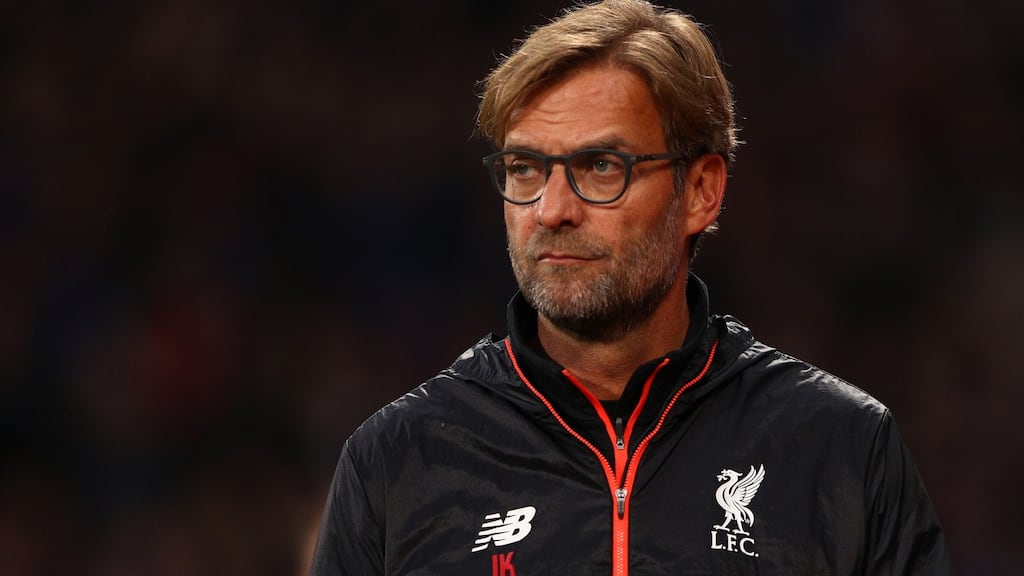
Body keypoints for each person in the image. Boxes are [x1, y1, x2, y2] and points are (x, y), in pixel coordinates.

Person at [310, 0, 951, 574]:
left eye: (600, 166)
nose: (552, 209)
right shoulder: (398, 461)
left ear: (701, 190)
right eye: (525, 169)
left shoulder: (839, 449)